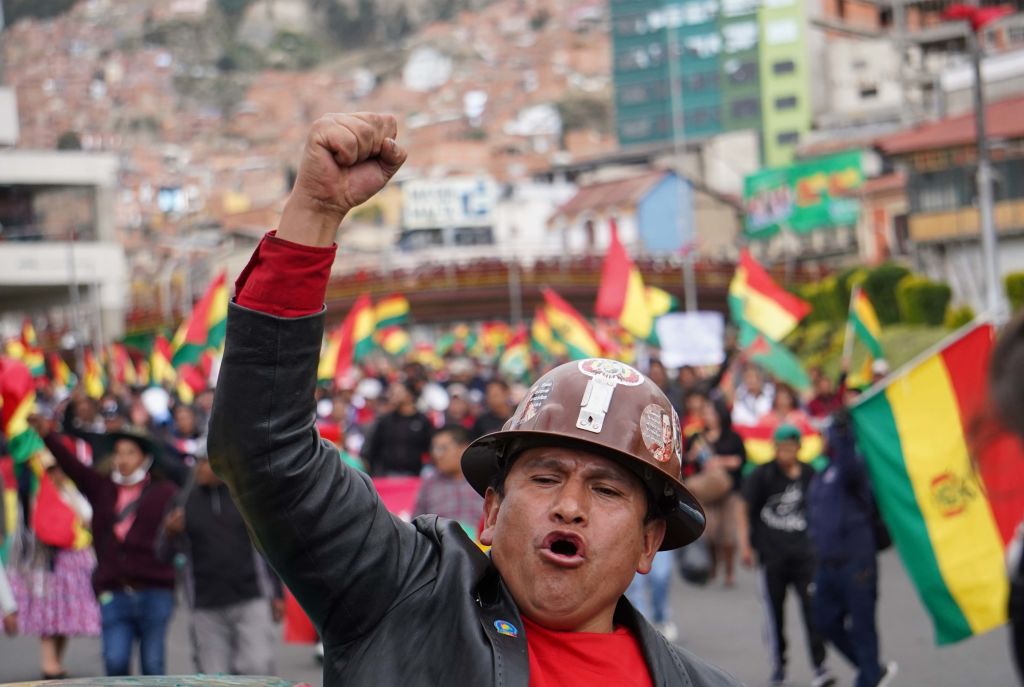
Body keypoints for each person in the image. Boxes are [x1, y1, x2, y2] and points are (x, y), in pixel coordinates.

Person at [207, 112, 740, 685]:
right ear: (489, 511)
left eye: (607, 489)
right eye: (543, 477)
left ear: (649, 541)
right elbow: (263, 451)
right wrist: (313, 213)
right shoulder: (399, 595)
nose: (569, 506)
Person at [32, 419, 178, 676]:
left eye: (130, 453)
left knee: (153, 666)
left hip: (155, 591)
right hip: (114, 592)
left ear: (145, 458)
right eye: (118, 453)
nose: (122, 459)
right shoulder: (102, 488)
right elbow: (71, 465)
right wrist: (48, 435)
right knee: (115, 662)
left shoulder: (164, 492)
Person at [159, 445, 284, 675]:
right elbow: (163, 555)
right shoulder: (183, 501)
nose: (200, 468)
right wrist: (170, 533)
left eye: (206, 462)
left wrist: (277, 594)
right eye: (198, 462)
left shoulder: (246, 498)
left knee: (257, 667)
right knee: (214, 676)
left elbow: (268, 548)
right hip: (206, 605)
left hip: (251, 597)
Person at [739, 424, 834, 687]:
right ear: (775, 448)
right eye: (782, 448)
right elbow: (743, 506)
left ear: (799, 448)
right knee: (774, 615)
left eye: (791, 448)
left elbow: (822, 508)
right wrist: (745, 544)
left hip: (806, 555)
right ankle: (779, 669)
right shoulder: (763, 474)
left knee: (813, 610)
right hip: (772, 556)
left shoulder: (809, 474)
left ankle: (820, 667)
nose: (786, 453)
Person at [809, 415, 897, 687]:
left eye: (827, 435)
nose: (823, 439)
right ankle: (870, 668)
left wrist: (843, 432)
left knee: (862, 626)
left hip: (856, 562)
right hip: (827, 565)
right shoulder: (822, 474)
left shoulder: (853, 468)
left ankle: (868, 677)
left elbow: (848, 463)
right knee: (824, 621)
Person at [9, 446, 100, 679]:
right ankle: (49, 663)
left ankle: (56, 661)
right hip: (49, 560)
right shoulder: (38, 492)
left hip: (76, 559)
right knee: (49, 612)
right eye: (53, 469)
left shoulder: (74, 491)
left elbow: (88, 517)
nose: (57, 473)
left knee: (66, 615)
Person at [688, 398, 746, 587]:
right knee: (710, 532)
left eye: (711, 412)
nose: (708, 416)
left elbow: (739, 461)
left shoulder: (732, 437)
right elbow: (687, 461)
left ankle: (729, 571)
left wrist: (719, 461)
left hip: (728, 490)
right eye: (706, 413)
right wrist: (693, 455)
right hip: (706, 491)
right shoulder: (698, 437)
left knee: (728, 535)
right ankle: (713, 566)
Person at [412, 425, 484, 535]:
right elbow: (417, 525)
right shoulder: (430, 484)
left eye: (442, 449)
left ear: (463, 448)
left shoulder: (484, 480)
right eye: (434, 449)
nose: (436, 455)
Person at [362, 380, 433, 476]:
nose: (393, 396)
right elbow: (373, 448)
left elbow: (429, 447)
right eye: (392, 393)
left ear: (409, 395)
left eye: (398, 392)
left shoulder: (422, 420)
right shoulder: (385, 421)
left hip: (415, 475)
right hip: (388, 475)